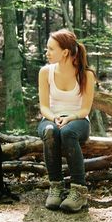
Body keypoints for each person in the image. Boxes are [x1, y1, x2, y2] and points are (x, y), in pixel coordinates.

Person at [37, 29, 96, 212]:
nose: (46, 52)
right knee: (50, 131)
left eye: (51, 49)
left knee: (68, 132)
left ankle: (79, 190)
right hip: (51, 118)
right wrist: (54, 117)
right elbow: (44, 107)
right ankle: (56, 187)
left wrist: (70, 117)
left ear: (64, 52)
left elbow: (85, 109)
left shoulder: (86, 75)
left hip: (78, 120)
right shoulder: (45, 72)